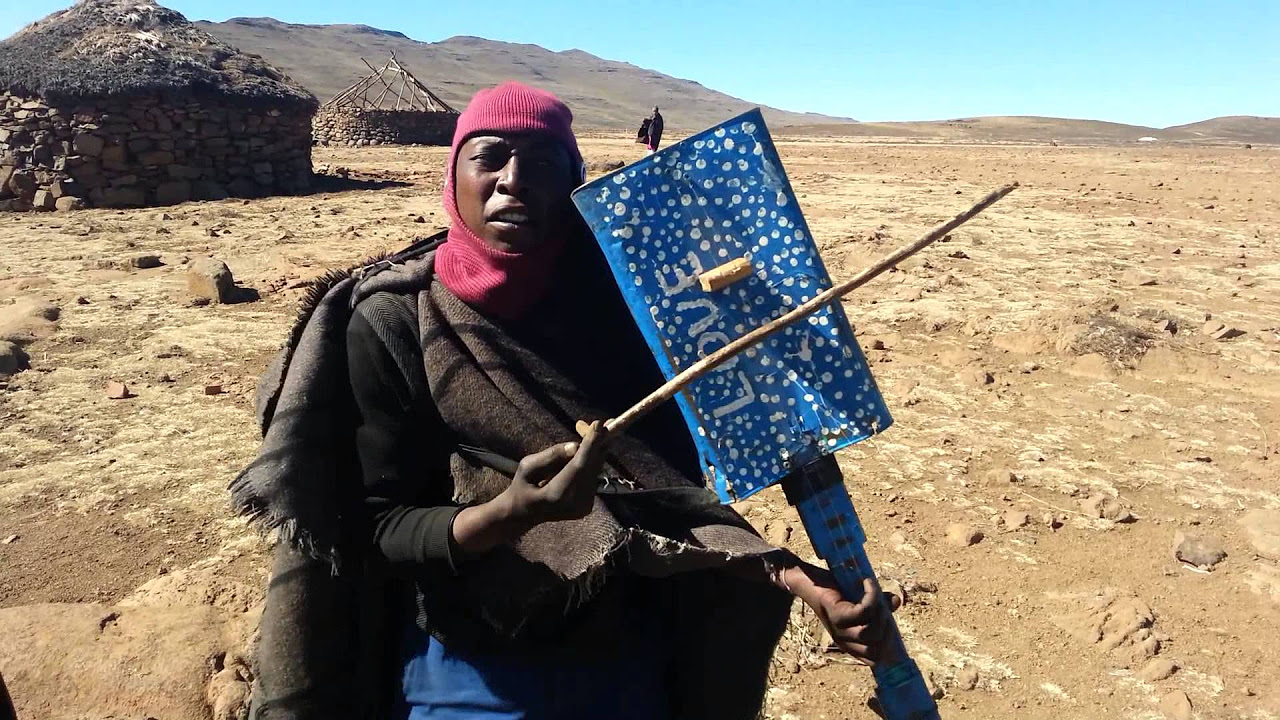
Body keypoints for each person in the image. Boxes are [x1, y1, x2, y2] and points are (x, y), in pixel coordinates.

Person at [240, 82, 897, 720]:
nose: (515, 179)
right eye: (490, 155)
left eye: (544, 162)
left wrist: (800, 581)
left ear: (573, 184)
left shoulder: (630, 311)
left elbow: (669, 497)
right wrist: (510, 514)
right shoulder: (393, 323)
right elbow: (375, 527)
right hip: (470, 665)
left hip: (626, 654)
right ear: (454, 174)